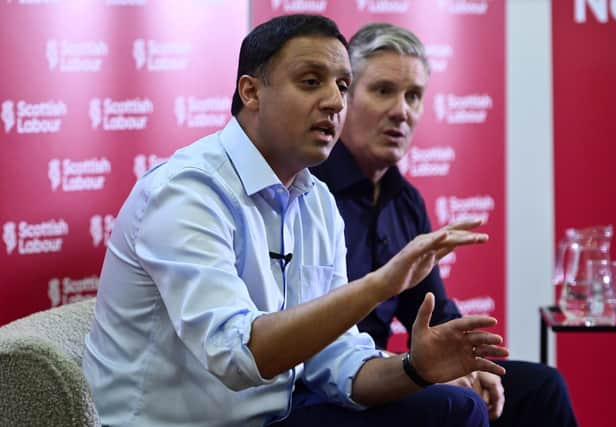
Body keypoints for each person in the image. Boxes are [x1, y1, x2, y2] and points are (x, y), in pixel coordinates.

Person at [83, 14, 509, 427]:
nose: (334, 101)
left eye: (343, 85)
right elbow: (239, 357)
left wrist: (415, 368)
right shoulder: (186, 192)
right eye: (311, 82)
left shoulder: (316, 201)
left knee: (459, 400)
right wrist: (381, 284)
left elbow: (338, 363)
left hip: (279, 414)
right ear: (251, 92)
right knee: (455, 410)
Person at [311, 22, 578, 427]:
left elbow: (433, 311)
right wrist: (416, 368)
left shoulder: (405, 200)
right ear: (344, 97)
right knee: (455, 406)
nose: (401, 110)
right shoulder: (309, 191)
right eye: (383, 90)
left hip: (391, 375)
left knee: (541, 387)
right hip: (331, 382)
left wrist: (474, 364)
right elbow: (308, 337)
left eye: (413, 96)